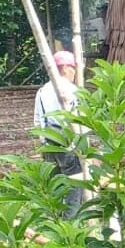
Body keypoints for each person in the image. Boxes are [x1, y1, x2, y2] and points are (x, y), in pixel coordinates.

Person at [34, 49, 83, 216]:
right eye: (73, 68)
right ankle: (71, 219)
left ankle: (53, 217)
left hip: (48, 142)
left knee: (55, 182)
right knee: (75, 181)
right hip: (67, 140)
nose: (74, 72)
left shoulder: (42, 91)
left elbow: (38, 119)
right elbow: (80, 118)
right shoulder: (71, 89)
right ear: (64, 68)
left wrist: (42, 143)